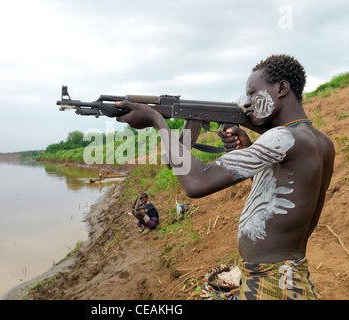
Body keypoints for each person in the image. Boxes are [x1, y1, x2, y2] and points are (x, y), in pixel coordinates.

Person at [115, 54, 335, 300]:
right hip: (286, 276)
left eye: (252, 93)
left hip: (272, 284)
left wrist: (157, 120)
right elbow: (281, 192)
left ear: (281, 88)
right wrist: (248, 147)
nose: (247, 103)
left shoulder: (283, 138)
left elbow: (198, 183)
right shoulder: (321, 141)